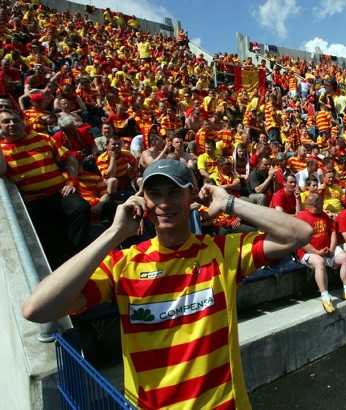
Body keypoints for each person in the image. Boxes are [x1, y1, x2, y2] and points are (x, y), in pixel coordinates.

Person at [22, 159, 313, 409]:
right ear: (142, 200)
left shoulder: (223, 252)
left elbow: (299, 233)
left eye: (174, 192)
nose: (164, 203)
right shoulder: (122, 264)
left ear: (192, 198)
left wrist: (228, 203)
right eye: (154, 193)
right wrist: (113, 233)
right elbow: (37, 309)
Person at [0, 109, 91, 269]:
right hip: (34, 204)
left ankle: (76, 258)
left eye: (15, 120)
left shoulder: (41, 138)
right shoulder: (2, 150)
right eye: (6, 122)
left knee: (80, 208)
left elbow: (70, 157)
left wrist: (71, 181)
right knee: (51, 244)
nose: (12, 124)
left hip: (59, 193)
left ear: (22, 122)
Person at [297, 193, 346, 314]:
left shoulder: (324, 215)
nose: (324, 204)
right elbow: (300, 241)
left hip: (327, 249)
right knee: (320, 262)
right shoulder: (301, 217)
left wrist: (332, 249)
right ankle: (325, 297)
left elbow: (332, 232)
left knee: (345, 257)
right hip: (308, 253)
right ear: (315, 204)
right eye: (322, 202)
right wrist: (317, 252)